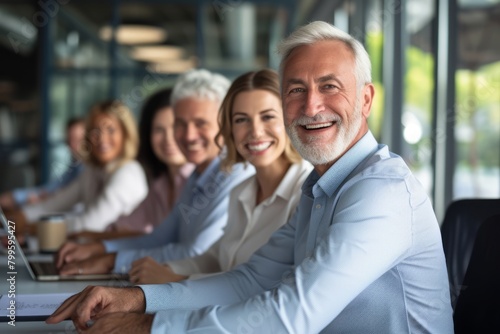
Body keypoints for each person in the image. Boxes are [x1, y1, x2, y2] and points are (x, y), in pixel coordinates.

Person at [46, 21, 454, 333]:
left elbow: (292, 315)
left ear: (365, 99)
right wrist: (136, 299)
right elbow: (250, 281)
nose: (311, 106)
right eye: (295, 90)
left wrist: (149, 326)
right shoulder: (319, 187)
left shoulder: (380, 191)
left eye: (329, 86)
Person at [53, 69, 255, 277]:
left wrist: (111, 260)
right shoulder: (198, 175)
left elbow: (195, 253)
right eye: (180, 124)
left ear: (225, 124)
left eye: (200, 123)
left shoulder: (235, 174)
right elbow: (160, 237)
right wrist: (100, 249)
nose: (188, 135)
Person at [128, 69, 312, 284]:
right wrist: (166, 269)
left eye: (268, 117)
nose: (255, 132)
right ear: (229, 130)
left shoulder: (306, 194)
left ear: (290, 119)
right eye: (241, 120)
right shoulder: (241, 191)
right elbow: (215, 258)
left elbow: (262, 284)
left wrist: (177, 278)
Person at [69, 88, 195, 241]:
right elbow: (121, 227)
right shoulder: (160, 186)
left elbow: (178, 246)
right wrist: (93, 242)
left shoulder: (201, 181)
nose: (168, 139)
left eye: (176, 127)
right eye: (159, 130)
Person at [12, 100, 148, 234]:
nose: (102, 138)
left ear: (125, 135)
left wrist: (28, 227)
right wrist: (22, 216)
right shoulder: (94, 171)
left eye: (111, 130)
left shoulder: (128, 172)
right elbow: (58, 202)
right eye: (96, 132)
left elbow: (89, 225)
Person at [0, 117, 86, 210]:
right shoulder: (74, 168)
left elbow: (67, 199)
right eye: (69, 140)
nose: (72, 145)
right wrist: (15, 196)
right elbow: (51, 188)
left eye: (78, 140)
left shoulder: (87, 171)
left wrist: (18, 198)